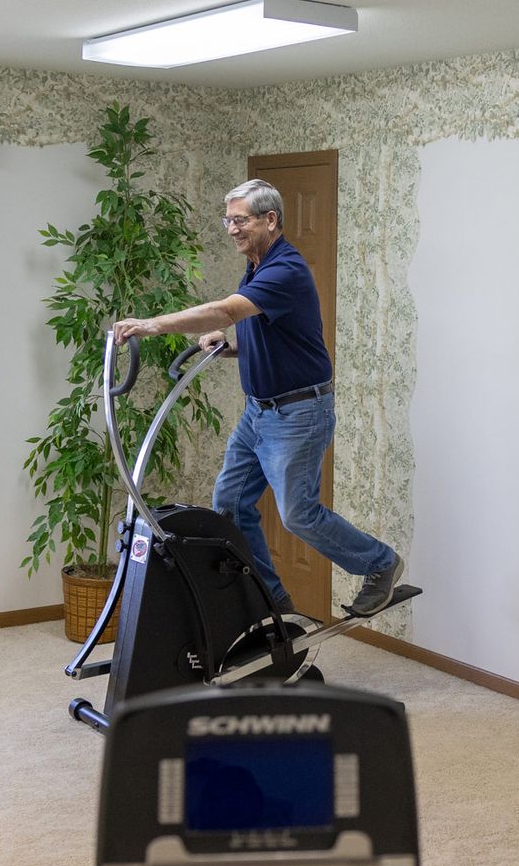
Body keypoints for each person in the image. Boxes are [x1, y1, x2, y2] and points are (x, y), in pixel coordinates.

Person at [114, 179, 404, 619]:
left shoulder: (285, 269)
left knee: (298, 514)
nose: (231, 228)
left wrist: (152, 325)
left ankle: (380, 564)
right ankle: (271, 597)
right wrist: (228, 347)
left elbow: (229, 311)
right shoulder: (254, 266)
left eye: (240, 219)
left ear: (271, 220)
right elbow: (271, 335)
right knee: (229, 503)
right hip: (259, 412)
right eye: (228, 220)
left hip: (298, 412)